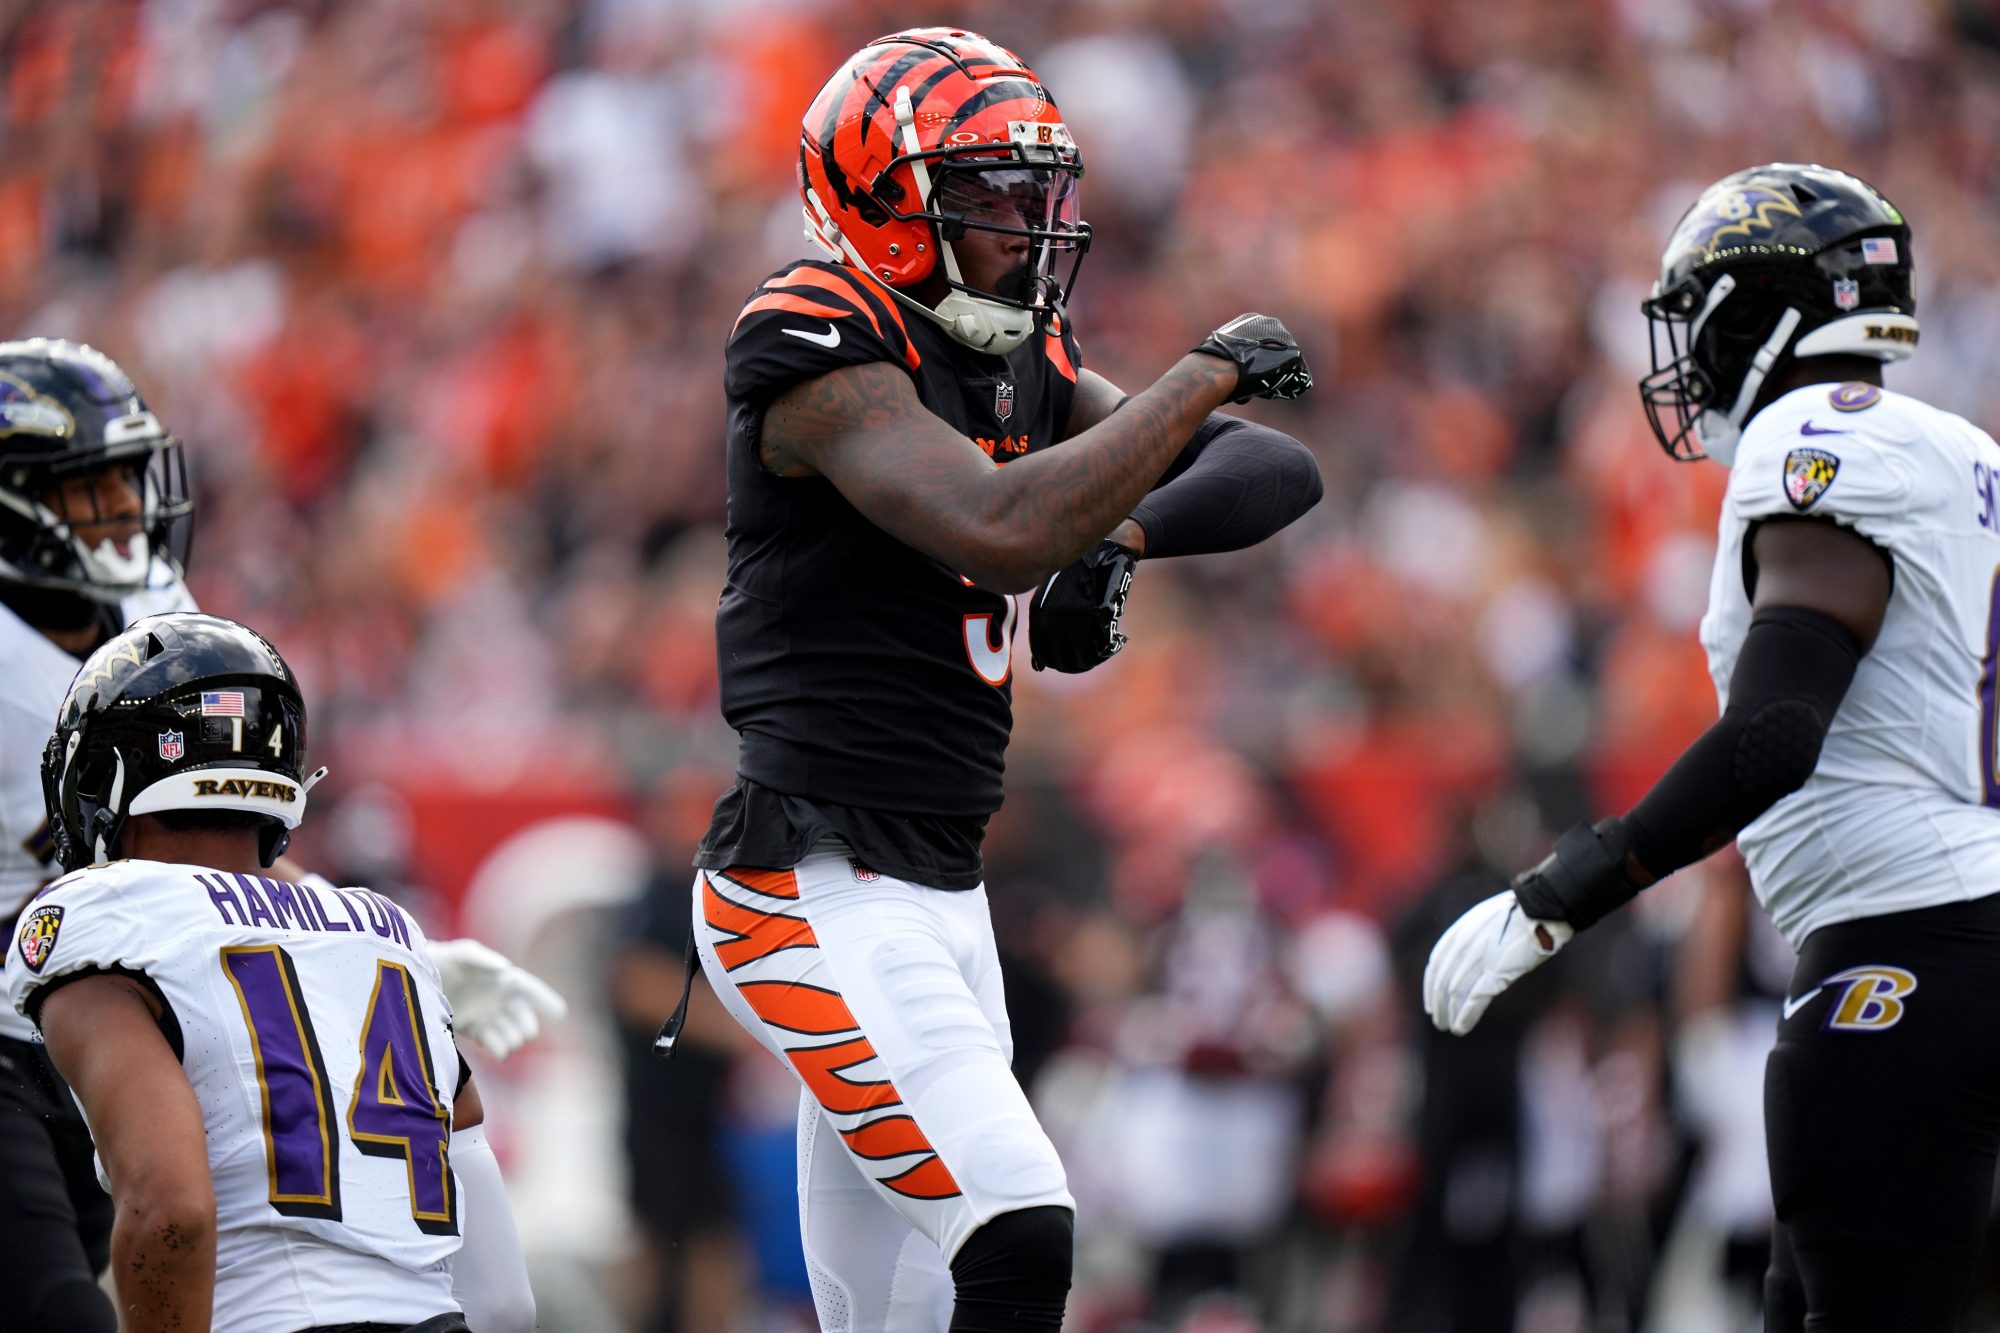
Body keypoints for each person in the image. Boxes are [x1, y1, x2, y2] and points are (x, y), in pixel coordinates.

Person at [683, 27, 1322, 1333]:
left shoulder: (1013, 358)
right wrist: (1199, 374)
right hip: (807, 882)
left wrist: (1126, 534)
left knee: (907, 1313)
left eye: (1036, 195)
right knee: (1021, 1227)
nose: (1027, 227)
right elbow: (995, 527)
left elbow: (1270, 471)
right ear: (884, 202)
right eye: (988, 195)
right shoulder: (813, 334)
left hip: (940, 890)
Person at [1423, 163, 1999, 1328]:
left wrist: (1560, 890)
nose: (1685, 351)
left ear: (1758, 310)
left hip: (1904, 946)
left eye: (1701, 315)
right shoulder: (1960, 447)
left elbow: (1778, 729)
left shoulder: (1809, 434)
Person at [0, 339, 561, 1329]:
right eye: (92, 488)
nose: (128, 511)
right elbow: (501, 1293)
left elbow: (198, 844)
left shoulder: (153, 620)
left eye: (130, 481)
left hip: (107, 1000)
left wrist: (368, 942)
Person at [5, 611, 537, 1333]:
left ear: (107, 777)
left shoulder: (104, 913)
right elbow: (507, 1299)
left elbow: (172, 1211)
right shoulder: (387, 931)